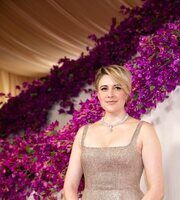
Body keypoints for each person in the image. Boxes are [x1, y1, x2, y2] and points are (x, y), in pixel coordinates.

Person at [63, 65, 164, 200]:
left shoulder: (144, 131)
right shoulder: (83, 133)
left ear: (127, 92)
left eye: (117, 87)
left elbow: (157, 190)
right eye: (104, 88)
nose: (110, 94)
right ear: (98, 94)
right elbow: (69, 186)